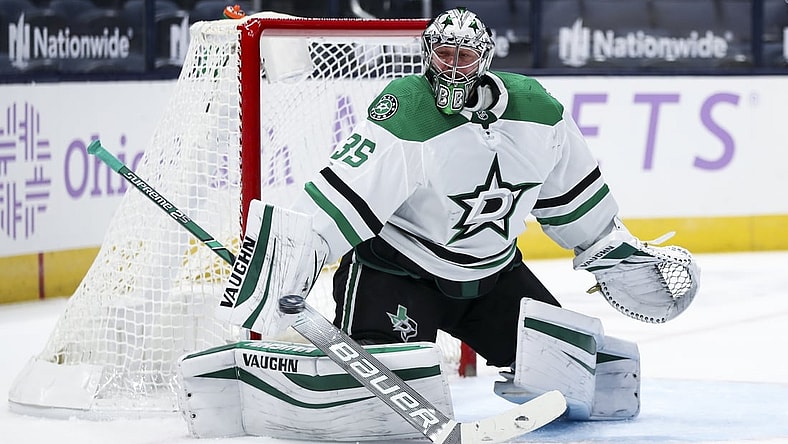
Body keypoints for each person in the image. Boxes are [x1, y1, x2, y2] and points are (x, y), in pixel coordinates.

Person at [179, 7, 700, 440]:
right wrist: (286, 264)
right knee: (380, 402)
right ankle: (257, 383)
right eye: (443, 54)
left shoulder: (538, 112)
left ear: (486, 59)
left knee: (592, 378)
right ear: (429, 54)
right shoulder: (408, 111)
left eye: (464, 55)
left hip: (493, 277)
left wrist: (611, 248)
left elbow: (574, 197)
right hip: (399, 276)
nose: (452, 67)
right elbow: (339, 197)